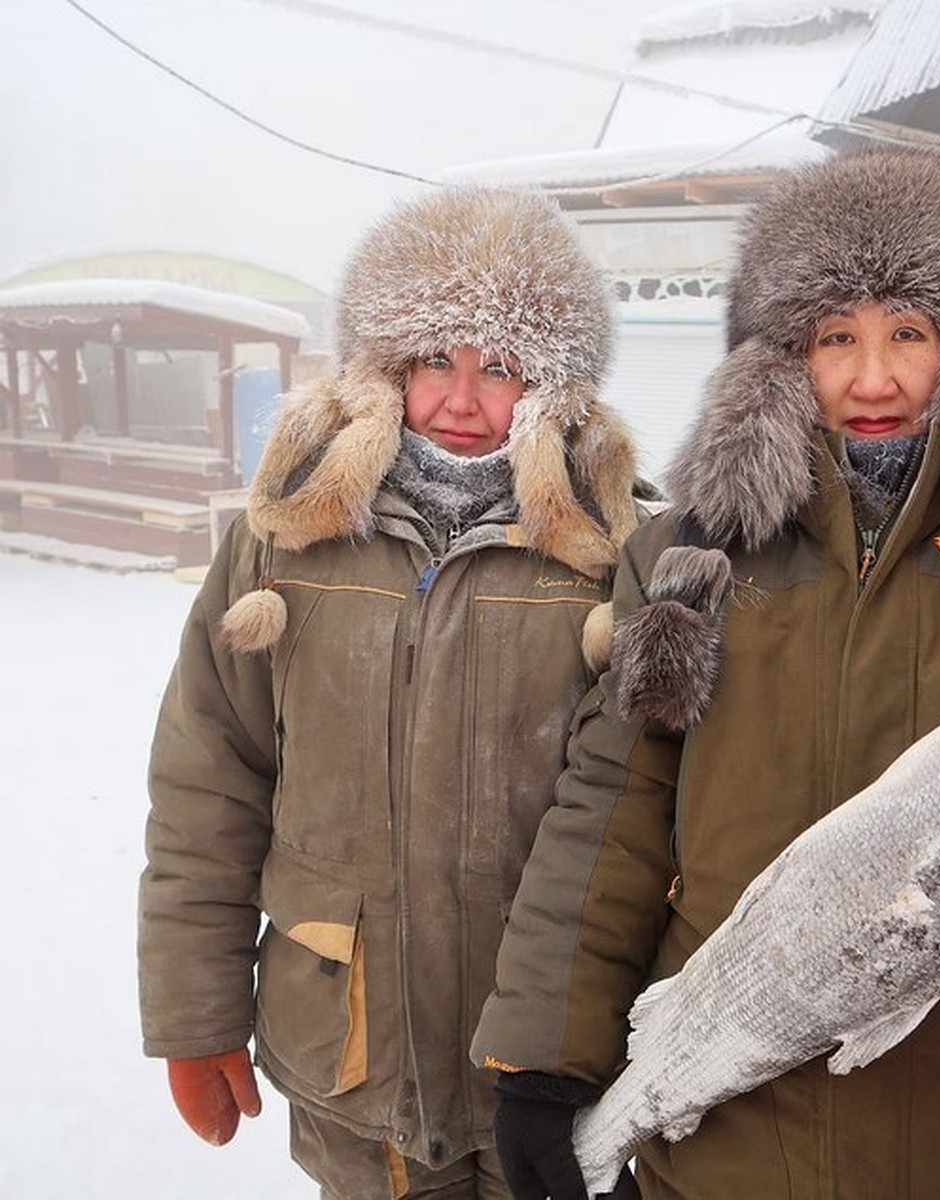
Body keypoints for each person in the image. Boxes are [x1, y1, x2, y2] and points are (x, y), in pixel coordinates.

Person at [472, 149, 940, 1200]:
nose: (874, 378)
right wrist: (546, 1058)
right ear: (779, 359)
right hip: (738, 1124)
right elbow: (613, 809)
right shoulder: (688, 561)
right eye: (835, 339)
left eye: (911, 333)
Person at [138, 185, 650, 1200]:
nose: (461, 403)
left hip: (551, 1069)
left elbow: (658, 823)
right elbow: (208, 783)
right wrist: (194, 1016)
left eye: (499, 367)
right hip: (350, 1056)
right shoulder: (283, 539)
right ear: (382, 369)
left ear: (554, 386)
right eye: (432, 362)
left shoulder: (620, 556)